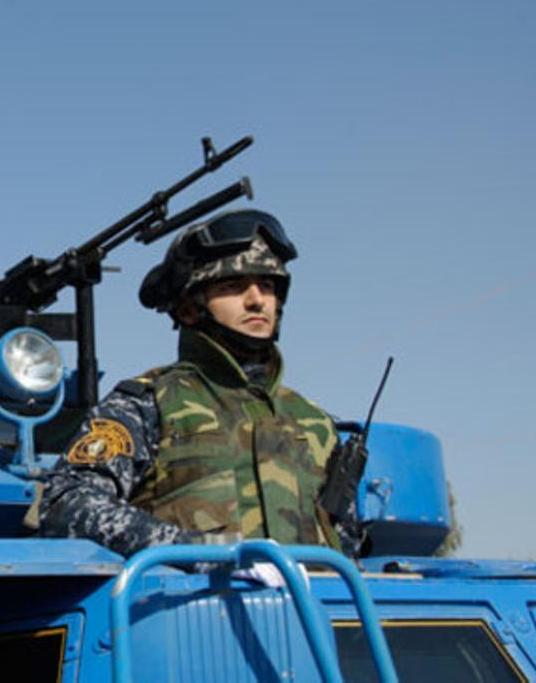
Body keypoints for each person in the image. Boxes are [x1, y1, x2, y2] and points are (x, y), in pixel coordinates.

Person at [39, 209, 355, 557]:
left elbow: (348, 544)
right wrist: (197, 553)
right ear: (190, 308)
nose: (257, 299)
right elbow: (66, 502)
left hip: (316, 609)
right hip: (190, 608)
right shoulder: (148, 404)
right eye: (233, 285)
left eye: (267, 285)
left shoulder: (316, 423)